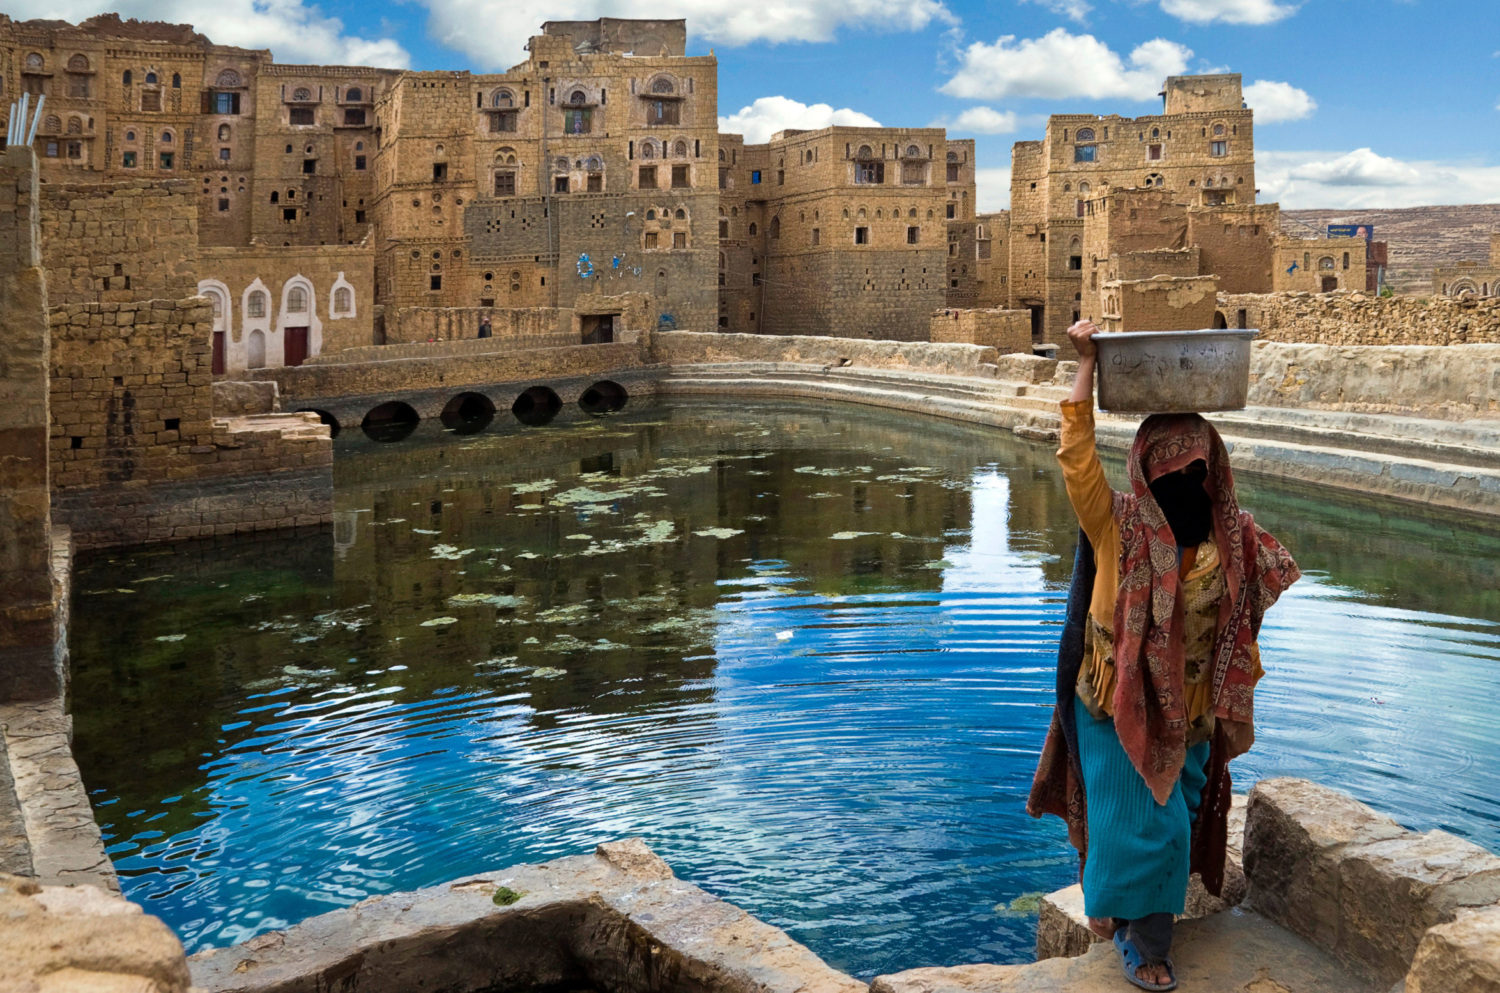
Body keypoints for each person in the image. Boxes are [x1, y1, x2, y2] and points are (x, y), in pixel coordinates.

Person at [1028, 320, 1301, 991]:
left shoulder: (1231, 535)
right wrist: (1088, 366)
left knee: (1169, 830)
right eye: (1171, 474)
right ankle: (1145, 946)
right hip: (1115, 704)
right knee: (1138, 827)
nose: (1185, 486)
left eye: (1197, 473)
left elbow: (1274, 575)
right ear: (1147, 473)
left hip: (1194, 712)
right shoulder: (1116, 524)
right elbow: (1076, 455)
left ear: (1214, 473)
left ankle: (1116, 906)